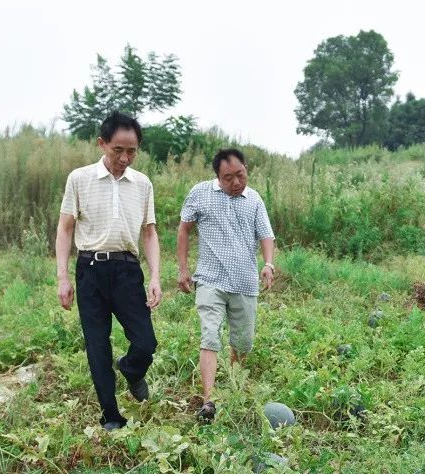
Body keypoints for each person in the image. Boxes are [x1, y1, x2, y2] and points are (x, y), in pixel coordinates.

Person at [55, 111, 162, 431]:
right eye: (118, 150)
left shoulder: (142, 184)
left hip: (128, 273)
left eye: (132, 151)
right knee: (97, 344)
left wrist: (156, 276)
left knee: (146, 343)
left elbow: (150, 232)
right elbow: (65, 229)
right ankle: (111, 416)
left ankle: (131, 369)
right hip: (91, 270)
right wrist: (63, 276)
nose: (125, 158)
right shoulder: (79, 178)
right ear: (102, 144)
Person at [177, 148, 276, 422]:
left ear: (246, 169)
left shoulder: (254, 199)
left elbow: (266, 235)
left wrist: (268, 264)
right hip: (210, 279)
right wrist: (183, 269)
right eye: (228, 177)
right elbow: (184, 229)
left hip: (245, 282)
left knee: (242, 343)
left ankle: (232, 389)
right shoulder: (200, 193)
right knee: (209, 335)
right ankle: (209, 400)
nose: (235, 182)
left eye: (240, 175)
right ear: (217, 177)